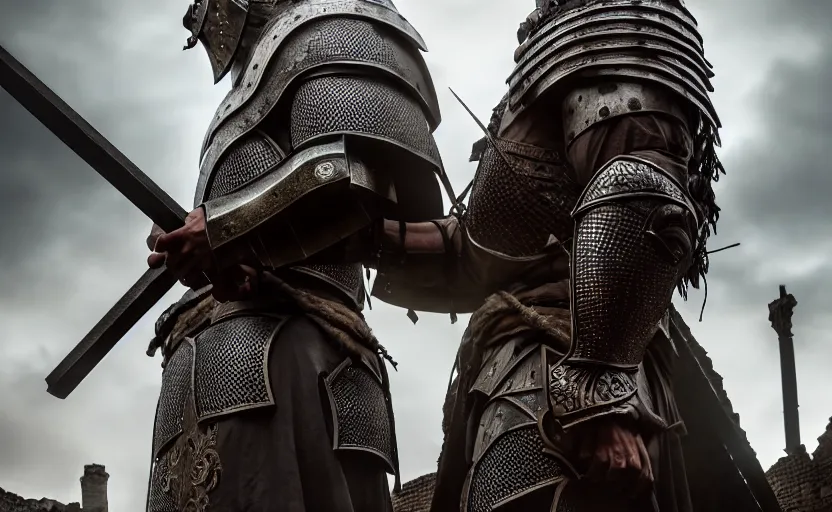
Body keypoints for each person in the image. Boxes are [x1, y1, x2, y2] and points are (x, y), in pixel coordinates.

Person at [153, 0, 724, 510]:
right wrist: (271, 242)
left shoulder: (612, 18)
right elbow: (476, 252)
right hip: (518, 379)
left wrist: (601, 402)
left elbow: (639, 194)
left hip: (569, 384)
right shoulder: (547, 51)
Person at [143, 0, 445, 510]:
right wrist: (192, 238)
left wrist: (218, 227)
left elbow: (347, 175)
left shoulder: (330, 27)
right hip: (213, 363)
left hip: (294, 360)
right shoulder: (246, 91)